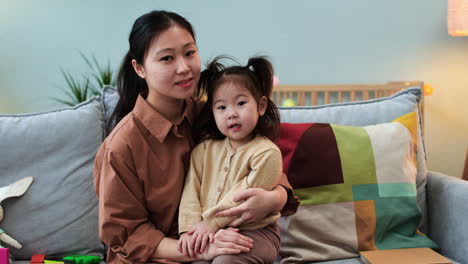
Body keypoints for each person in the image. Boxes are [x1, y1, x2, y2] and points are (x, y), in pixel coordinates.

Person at [93, 10, 299, 264]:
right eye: (167, 58)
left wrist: (273, 198)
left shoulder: (215, 115)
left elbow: (263, 163)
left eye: (190, 53)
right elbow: (127, 236)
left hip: (223, 241)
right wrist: (200, 248)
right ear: (140, 68)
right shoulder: (121, 147)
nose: (184, 68)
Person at [178, 56, 283, 264]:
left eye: (241, 103)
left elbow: (244, 196)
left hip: (257, 232)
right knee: (196, 260)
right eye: (222, 107)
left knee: (225, 261)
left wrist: (210, 223)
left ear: (261, 106)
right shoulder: (203, 151)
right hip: (209, 230)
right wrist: (189, 232)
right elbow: (191, 191)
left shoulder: (267, 153)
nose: (232, 114)